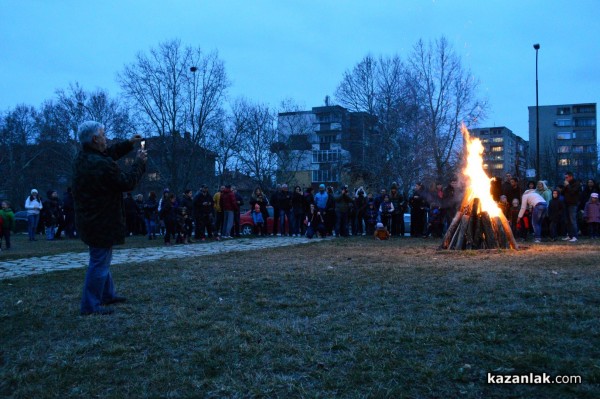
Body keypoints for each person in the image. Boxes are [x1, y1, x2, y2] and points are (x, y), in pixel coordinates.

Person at [73, 121, 146, 316]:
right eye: (103, 135)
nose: (106, 138)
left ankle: (107, 294)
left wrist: (129, 143)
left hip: (90, 220)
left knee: (101, 259)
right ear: (95, 139)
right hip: (100, 221)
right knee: (99, 261)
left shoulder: (85, 157)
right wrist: (139, 162)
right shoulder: (99, 163)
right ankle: (90, 306)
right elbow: (127, 182)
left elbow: (108, 154)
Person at [562, 171, 581, 242]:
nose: (565, 179)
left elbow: (573, 192)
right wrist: (565, 186)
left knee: (573, 220)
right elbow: (562, 193)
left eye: (566, 177)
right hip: (566, 203)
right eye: (565, 177)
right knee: (568, 221)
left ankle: (575, 236)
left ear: (571, 177)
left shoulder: (577, 183)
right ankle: (570, 235)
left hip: (573, 204)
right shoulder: (567, 184)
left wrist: (567, 186)